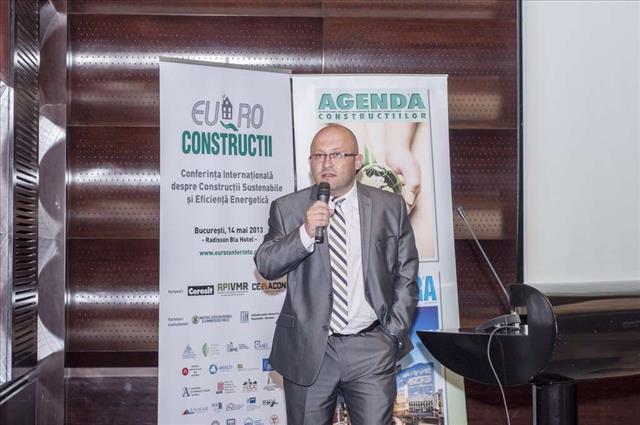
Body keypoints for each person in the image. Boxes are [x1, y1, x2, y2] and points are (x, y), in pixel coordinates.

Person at [254, 124, 419, 425]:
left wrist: (392, 334)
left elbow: (406, 273)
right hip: (310, 351)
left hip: (371, 348)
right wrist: (305, 233)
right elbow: (267, 264)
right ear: (310, 162)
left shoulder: (389, 206)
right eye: (319, 155)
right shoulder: (288, 209)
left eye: (337, 154)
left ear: (358, 161)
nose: (327, 163)